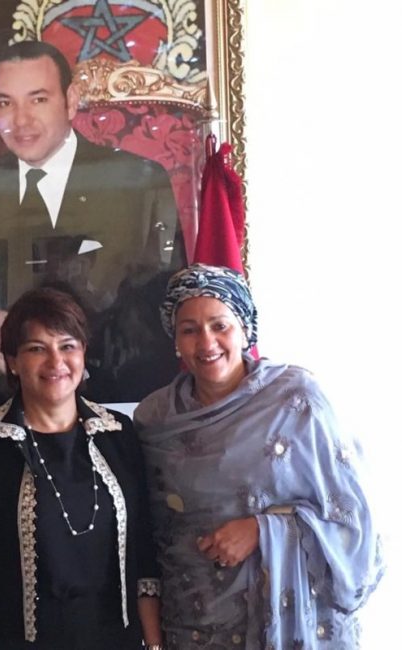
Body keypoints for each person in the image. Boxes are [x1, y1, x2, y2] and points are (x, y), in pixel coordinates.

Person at [134, 264, 384, 649]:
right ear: (175, 340)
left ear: (245, 328)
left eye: (220, 325)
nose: (206, 342)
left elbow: (352, 517)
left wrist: (262, 530)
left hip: (290, 624)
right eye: (190, 330)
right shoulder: (155, 418)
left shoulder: (297, 400)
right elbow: (148, 533)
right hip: (193, 623)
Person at [0, 40, 183, 405]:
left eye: (38, 99)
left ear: (71, 100)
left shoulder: (136, 180)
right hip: (5, 391)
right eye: (5, 103)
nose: (20, 120)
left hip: (121, 388)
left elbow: (165, 295)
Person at [0, 287, 163, 650]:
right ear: (11, 360)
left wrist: (154, 644)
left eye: (67, 346)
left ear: (83, 354)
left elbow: (144, 558)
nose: (56, 362)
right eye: (36, 349)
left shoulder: (118, 436)